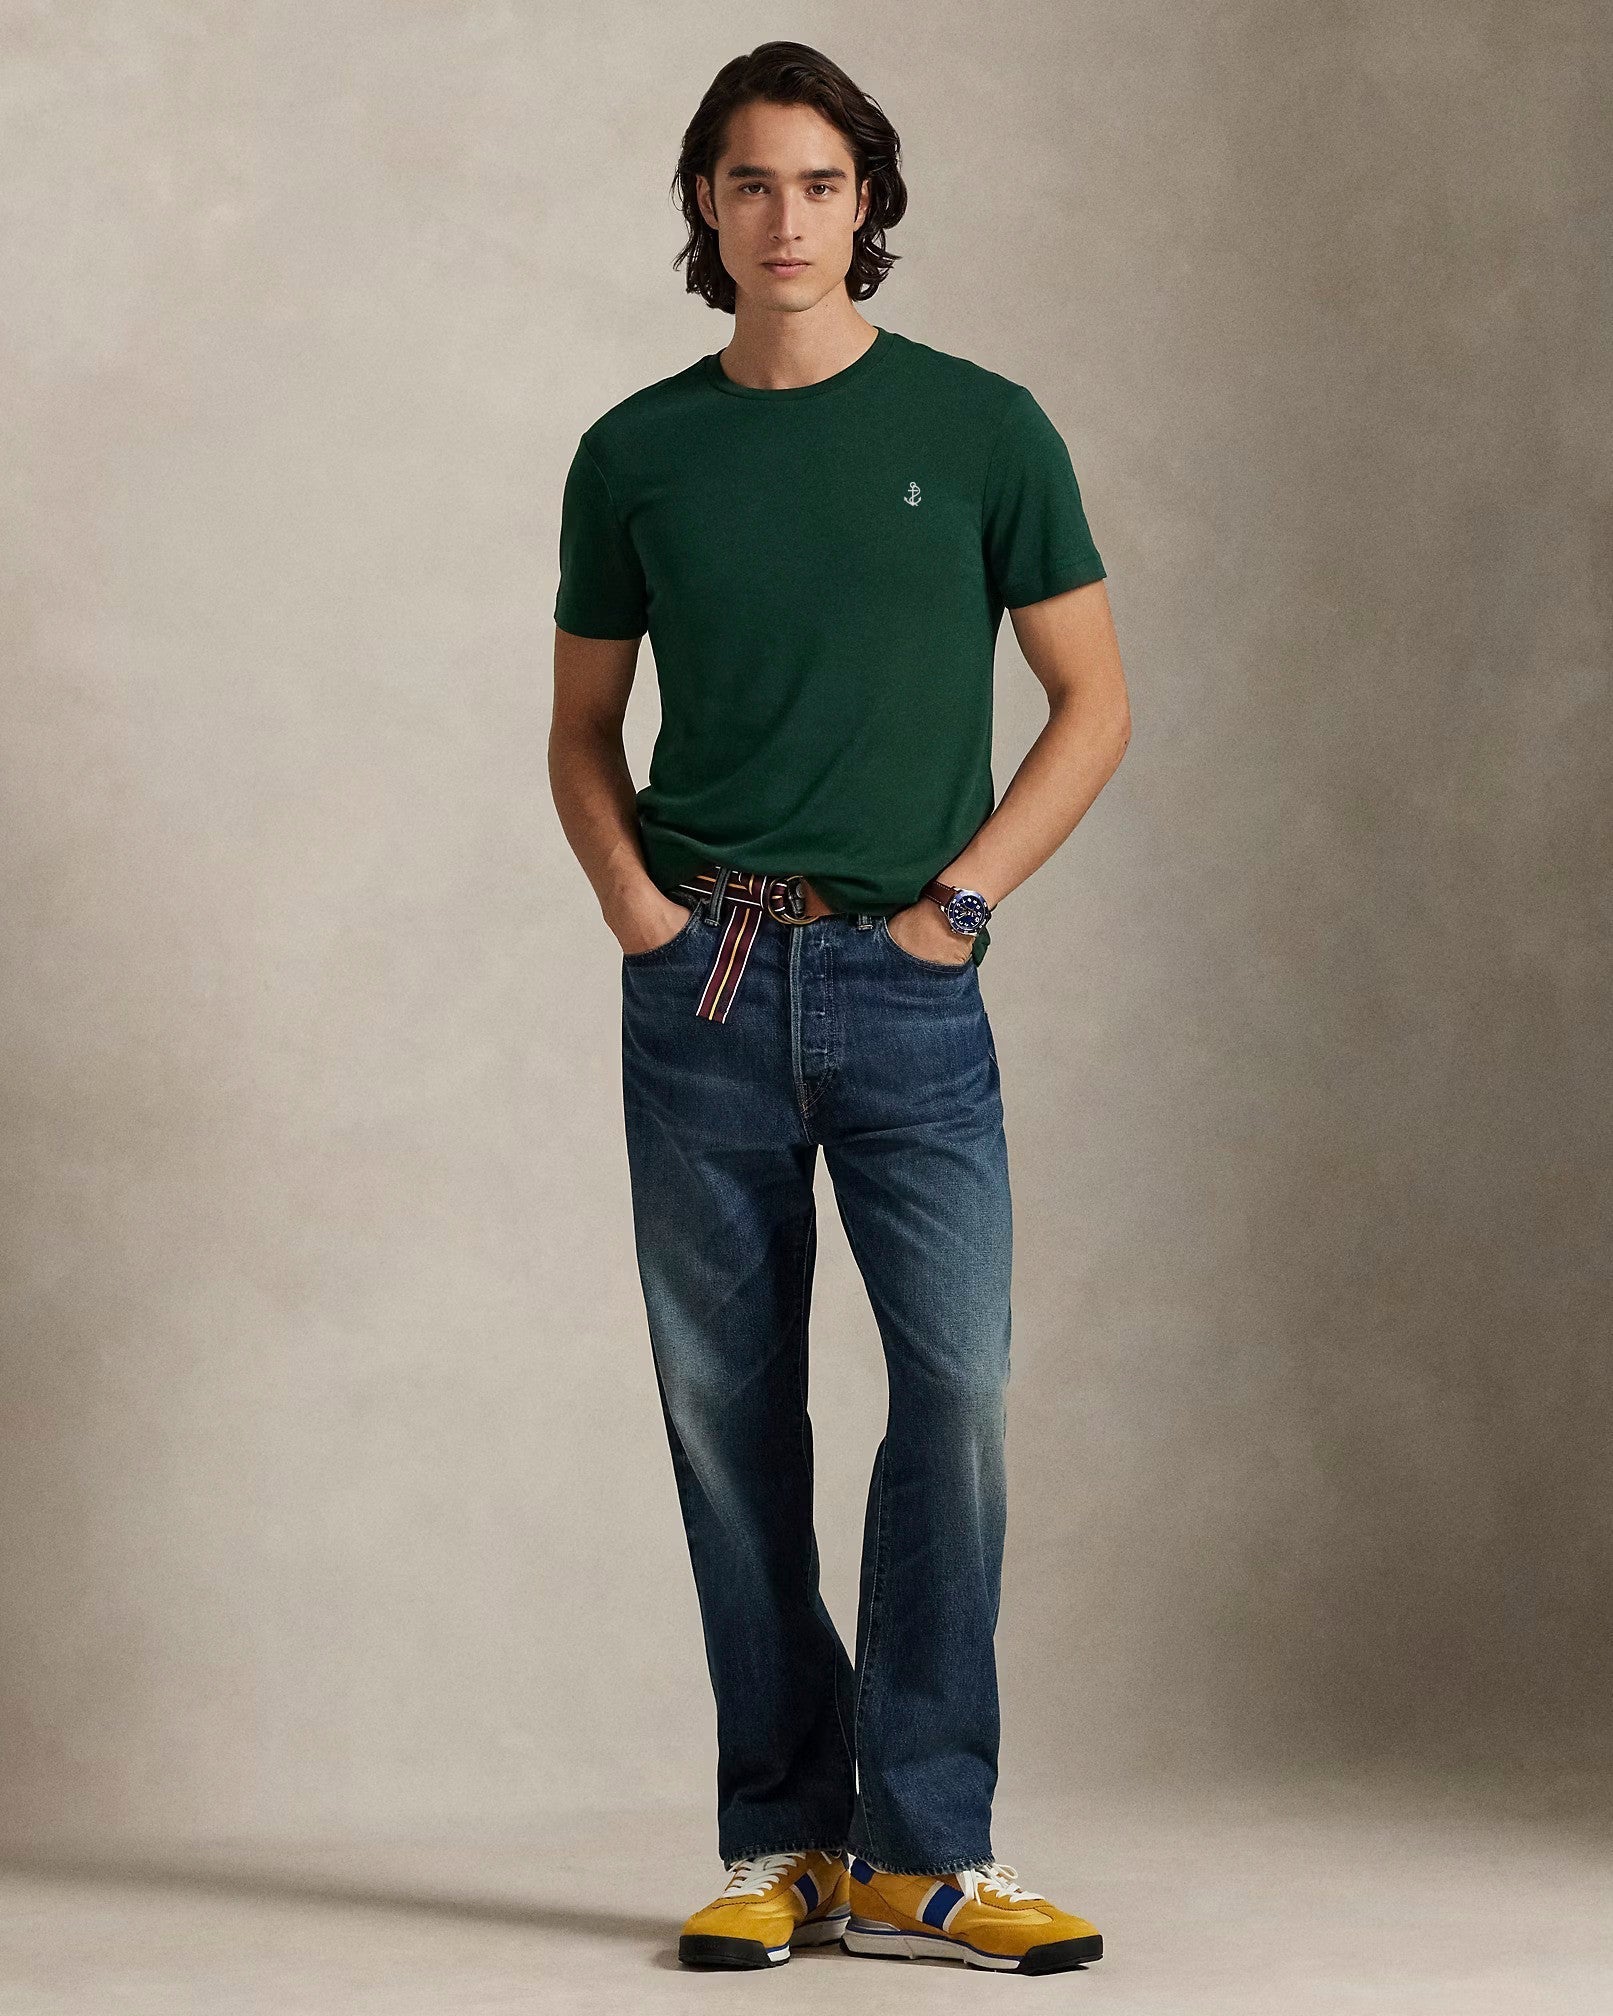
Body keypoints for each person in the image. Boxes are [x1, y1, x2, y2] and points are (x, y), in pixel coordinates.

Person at [549, 40, 1130, 1976]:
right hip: (701, 980)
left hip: (907, 985)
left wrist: (960, 908)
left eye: (817, 182)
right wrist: (638, 912)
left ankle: (926, 1850)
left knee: (954, 1390)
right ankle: (784, 1839)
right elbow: (579, 729)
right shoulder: (635, 452)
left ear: (867, 202)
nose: (784, 217)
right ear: (704, 209)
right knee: (730, 1416)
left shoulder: (983, 428)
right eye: (748, 182)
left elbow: (1094, 703)